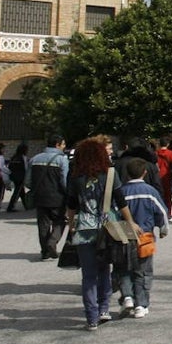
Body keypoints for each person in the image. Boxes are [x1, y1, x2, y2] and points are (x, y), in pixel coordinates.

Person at [65, 136, 132, 331]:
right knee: (105, 269)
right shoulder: (110, 174)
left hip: (84, 228)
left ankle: (91, 317)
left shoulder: (76, 177)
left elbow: (71, 205)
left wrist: (70, 224)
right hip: (108, 227)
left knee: (88, 275)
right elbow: (121, 201)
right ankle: (104, 309)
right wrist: (131, 223)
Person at [119, 157, 169, 318]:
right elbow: (161, 212)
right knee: (143, 271)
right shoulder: (150, 191)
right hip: (145, 236)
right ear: (145, 173)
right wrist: (163, 228)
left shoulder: (121, 191)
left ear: (127, 174)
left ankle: (127, 296)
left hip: (124, 236)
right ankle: (141, 304)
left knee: (125, 269)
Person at [26, 135, 68, 259]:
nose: (64, 147)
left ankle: (45, 251)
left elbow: (27, 181)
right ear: (57, 145)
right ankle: (52, 242)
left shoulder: (34, 159)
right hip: (57, 198)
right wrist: (68, 194)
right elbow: (64, 181)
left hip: (39, 198)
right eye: (63, 144)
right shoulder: (62, 160)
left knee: (43, 224)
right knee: (60, 221)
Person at [155, 137, 172, 220]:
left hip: (157, 176)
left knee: (159, 195)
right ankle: (169, 213)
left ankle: (159, 212)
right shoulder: (171, 153)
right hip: (167, 176)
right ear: (168, 144)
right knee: (168, 196)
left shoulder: (156, 153)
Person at [6, 143, 30, 212]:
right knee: (17, 192)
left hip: (14, 177)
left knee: (21, 192)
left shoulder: (14, 157)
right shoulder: (23, 158)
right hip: (21, 177)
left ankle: (27, 205)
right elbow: (26, 168)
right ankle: (11, 207)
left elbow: (10, 167)